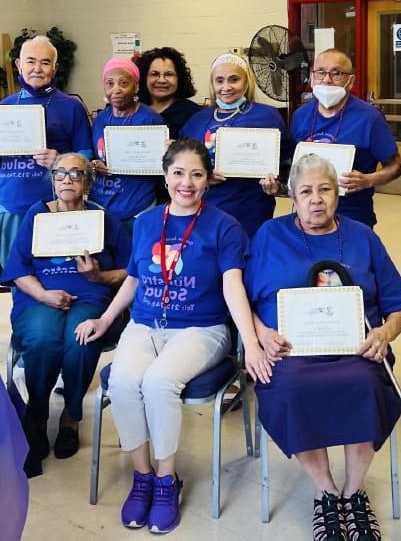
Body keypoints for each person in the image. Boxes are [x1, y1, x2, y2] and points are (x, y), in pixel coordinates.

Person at [74, 138, 264, 534]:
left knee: (160, 382)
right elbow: (134, 278)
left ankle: (165, 480)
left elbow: (233, 287)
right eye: (178, 173)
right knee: (124, 381)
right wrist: (106, 320)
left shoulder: (224, 227)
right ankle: (141, 476)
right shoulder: (145, 222)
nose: (187, 183)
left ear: (208, 180)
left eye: (197, 174)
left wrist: (252, 344)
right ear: (165, 176)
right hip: (145, 324)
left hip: (201, 329)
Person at [244, 154, 401, 541]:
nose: (316, 199)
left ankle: (354, 493)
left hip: (354, 347)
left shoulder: (362, 236)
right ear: (292, 196)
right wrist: (259, 333)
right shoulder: (269, 234)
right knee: (290, 387)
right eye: (306, 191)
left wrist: (385, 333)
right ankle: (325, 491)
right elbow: (247, 302)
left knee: (365, 384)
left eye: (325, 189)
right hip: (289, 350)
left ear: (337, 194)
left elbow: (398, 306)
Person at [0, 153, 131, 459]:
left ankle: (71, 415)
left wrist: (98, 275)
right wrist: (44, 295)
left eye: (76, 174)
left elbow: (130, 269)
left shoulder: (103, 218)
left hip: (90, 297)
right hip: (39, 296)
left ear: (89, 180)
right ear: (52, 179)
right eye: (60, 174)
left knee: (81, 339)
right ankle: (38, 412)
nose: (67, 180)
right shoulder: (36, 214)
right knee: (42, 338)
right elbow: (17, 269)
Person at [0, 35, 93, 267]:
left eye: (45, 62)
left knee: (56, 274)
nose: (37, 68)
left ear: (55, 67)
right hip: (12, 205)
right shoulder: (4, 106)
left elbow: (87, 160)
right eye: (30, 61)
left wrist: (59, 161)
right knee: (16, 276)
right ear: (19, 65)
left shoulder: (72, 107)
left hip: (55, 206)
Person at [290, 48, 401, 228]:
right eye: (320, 72)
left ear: (350, 81)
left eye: (336, 73)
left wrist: (368, 180)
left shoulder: (369, 118)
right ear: (311, 77)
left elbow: (396, 166)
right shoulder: (300, 115)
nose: (326, 80)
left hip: (353, 217)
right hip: (307, 216)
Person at [179, 53, 288, 237]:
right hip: (206, 208)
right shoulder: (197, 120)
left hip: (251, 209)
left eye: (234, 79)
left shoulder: (267, 116)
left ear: (246, 82)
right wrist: (203, 175)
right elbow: (183, 163)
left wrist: (277, 184)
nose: (226, 87)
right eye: (219, 80)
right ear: (212, 84)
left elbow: (285, 162)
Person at [89, 57, 165, 228]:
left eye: (123, 83)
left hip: (137, 207)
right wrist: (93, 165)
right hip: (101, 203)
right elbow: (91, 158)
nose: (116, 90)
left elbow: (162, 165)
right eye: (110, 84)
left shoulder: (151, 119)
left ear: (136, 86)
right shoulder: (100, 119)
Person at [136, 47, 201, 139]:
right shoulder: (133, 110)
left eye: (169, 74)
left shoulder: (194, 113)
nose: (161, 80)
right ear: (144, 78)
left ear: (179, 78)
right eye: (154, 74)